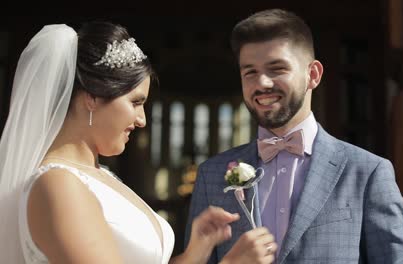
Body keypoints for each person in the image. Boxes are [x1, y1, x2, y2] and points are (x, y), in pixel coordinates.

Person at [0, 22, 276, 264]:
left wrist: (193, 253)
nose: (142, 120)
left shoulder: (98, 175)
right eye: (135, 102)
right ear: (92, 97)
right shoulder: (58, 186)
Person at [185, 9, 403, 264]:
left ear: (313, 75)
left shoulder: (367, 172)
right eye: (250, 72)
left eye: (276, 69)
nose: (262, 83)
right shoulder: (211, 175)